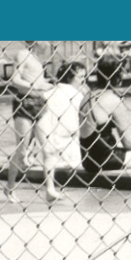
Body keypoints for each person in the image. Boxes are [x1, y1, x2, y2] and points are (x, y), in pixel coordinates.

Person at [79, 55, 131, 175]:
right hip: (106, 159)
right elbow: (129, 143)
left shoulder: (87, 96)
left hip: (87, 160)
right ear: (118, 77)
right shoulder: (112, 99)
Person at [4, 41, 54, 203]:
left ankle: (50, 189)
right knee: (22, 151)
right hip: (24, 103)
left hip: (40, 102)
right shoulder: (22, 54)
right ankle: (10, 187)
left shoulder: (37, 57)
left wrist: (41, 87)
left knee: (49, 149)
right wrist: (37, 85)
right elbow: (15, 80)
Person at [38, 61, 87, 201]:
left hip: (49, 148)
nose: (83, 80)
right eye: (80, 77)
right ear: (70, 77)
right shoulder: (77, 96)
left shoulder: (48, 93)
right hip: (70, 149)